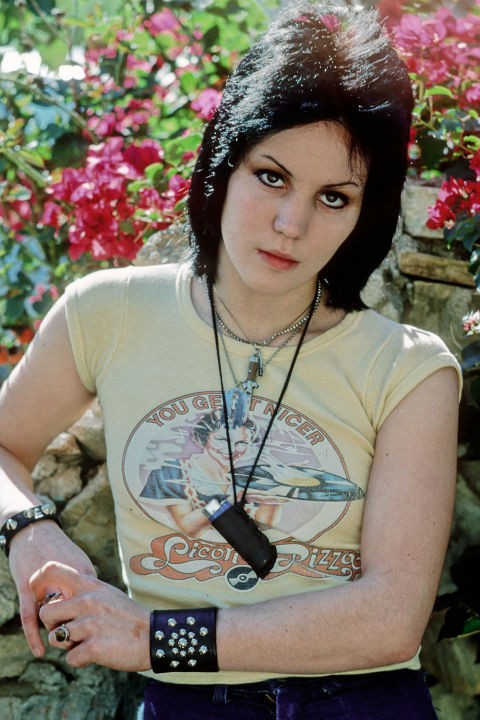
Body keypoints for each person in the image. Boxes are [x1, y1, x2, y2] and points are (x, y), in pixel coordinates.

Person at [0, 1, 461, 718]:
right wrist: (28, 530)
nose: (292, 224)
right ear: (223, 163)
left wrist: (154, 638)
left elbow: (390, 618)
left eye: (334, 197)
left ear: (364, 213)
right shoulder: (107, 313)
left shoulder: (409, 369)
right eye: (271, 176)